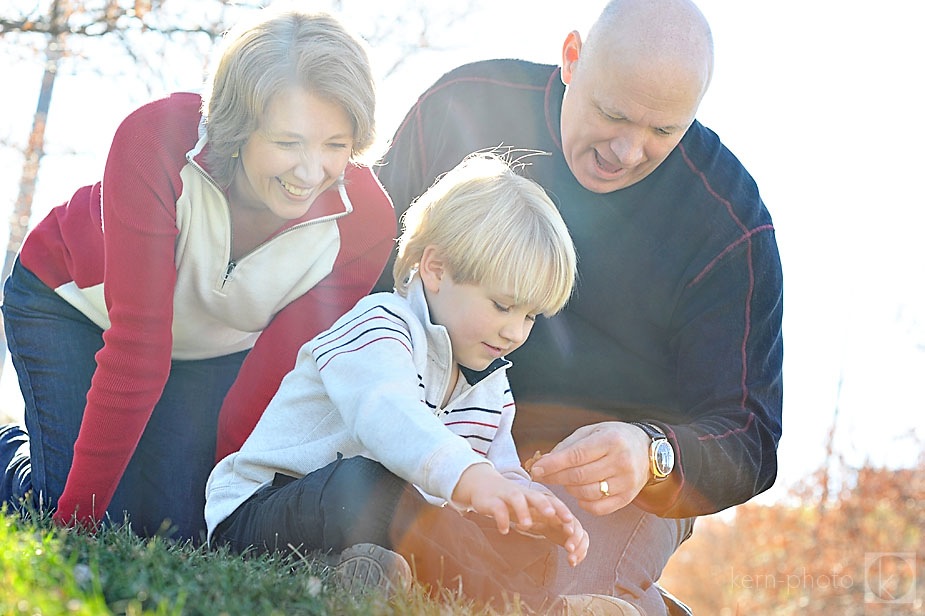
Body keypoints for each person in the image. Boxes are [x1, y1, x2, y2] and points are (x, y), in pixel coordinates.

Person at [371, 0, 784, 614]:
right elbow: (364, 271)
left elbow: (749, 435)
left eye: (663, 131)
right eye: (611, 113)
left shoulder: (730, 227)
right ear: (572, 58)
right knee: (384, 542)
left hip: (611, 487)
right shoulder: (465, 106)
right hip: (436, 421)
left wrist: (652, 454)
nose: (626, 149)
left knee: (561, 601)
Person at [0, 6, 395, 543]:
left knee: (171, 527)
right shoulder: (156, 139)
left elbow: (272, 372)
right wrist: (75, 530)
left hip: (205, 353)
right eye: (288, 142)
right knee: (76, 503)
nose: (310, 173)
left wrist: (219, 509)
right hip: (71, 305)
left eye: (335, 146)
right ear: (240, 125)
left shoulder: (368, 226)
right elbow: (137, 346)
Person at [205, 153, 640, 614]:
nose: (515, 331)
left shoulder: (489, 381)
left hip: (374, 522)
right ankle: (531, 607)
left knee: (511, 535)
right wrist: (475, 480)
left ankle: (357, 571)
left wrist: (526, 505)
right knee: (371, 483)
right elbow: (388, 417)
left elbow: (498, 465)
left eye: (529, 316)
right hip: (266, 512)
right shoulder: (380, 325)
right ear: (435, 269)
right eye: (501, 305)